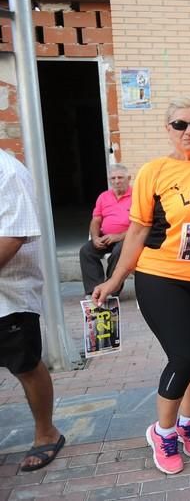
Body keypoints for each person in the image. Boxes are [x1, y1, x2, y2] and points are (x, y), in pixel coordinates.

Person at [93, 97, 190, 475]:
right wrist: (115, 279)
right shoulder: (154, 172)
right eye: (180, 125)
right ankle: (163, 431)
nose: (189, 131)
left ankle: (189, 422)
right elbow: (139, 229)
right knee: (184, 355)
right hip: (162, 278)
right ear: (168, 130)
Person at [0, 149, 65, 472]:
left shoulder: (7, 171)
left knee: (25, 364)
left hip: (9, 296)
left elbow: (13, 236)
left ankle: (46, 433)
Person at [79, 164, 132, 296]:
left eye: (120, 177)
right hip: (105, 237)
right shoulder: (103, 197)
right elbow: (96, 220)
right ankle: (94, 290)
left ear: (129, 178)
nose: (116, 181)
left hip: (128, 238)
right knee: (86, 251)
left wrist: (118, 236)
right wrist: (95, 237)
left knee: (118, 252)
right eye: (113, 178)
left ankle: (112, 288)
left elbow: (140, 225)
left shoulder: (137, 196)